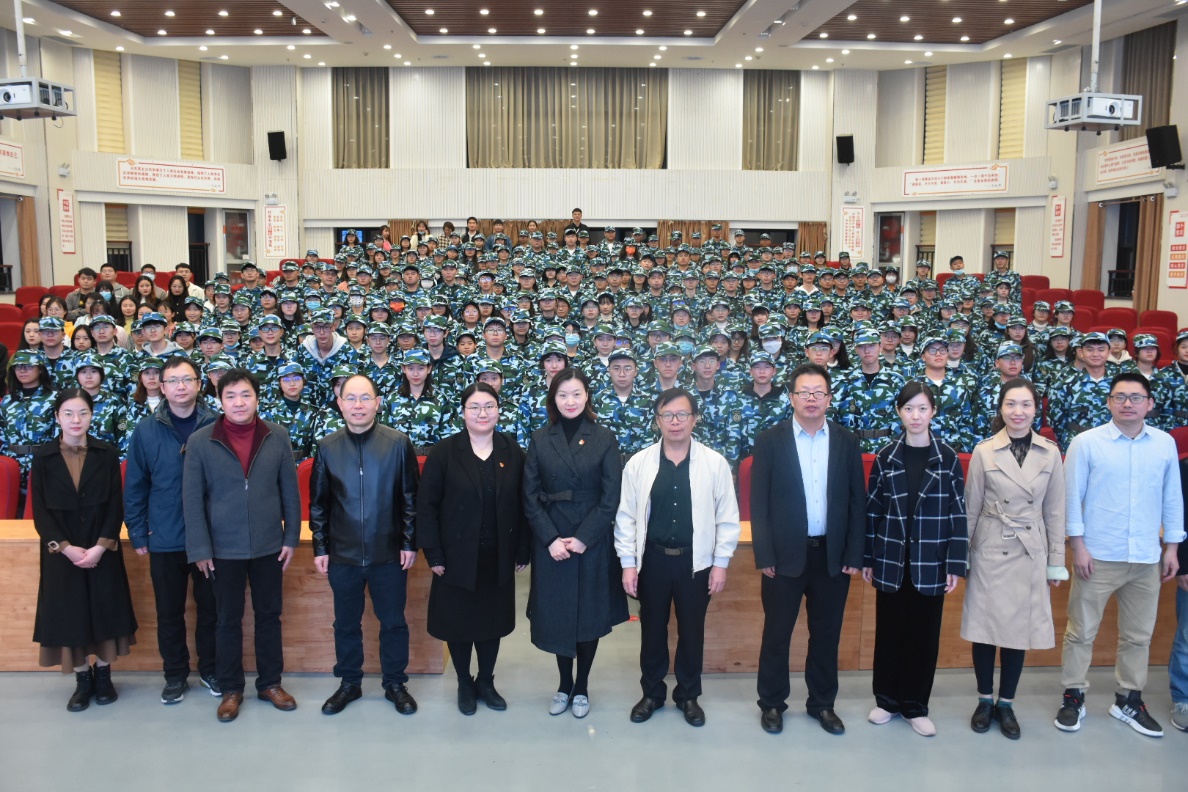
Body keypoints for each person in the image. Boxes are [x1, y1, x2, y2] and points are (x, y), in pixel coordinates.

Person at [1055, 372, 1183, 738]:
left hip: (1146, 557)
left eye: (1136, 397)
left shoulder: (1164, 444)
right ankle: (1073, 696)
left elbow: (1172, 498)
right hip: (1097, 555)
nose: (1128, 403)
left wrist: (1172, 548)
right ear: (1109, 402)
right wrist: (1078, 546)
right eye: (1120, 397)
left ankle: (1128, 699)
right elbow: (1071, 498)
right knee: (1081, 633)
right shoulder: (1086, 443)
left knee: (1138, 636)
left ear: (1150, 403)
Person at [749, 363, 866, 736]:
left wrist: (854, 554)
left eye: (818, 392)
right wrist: (764, 553)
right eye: (804, 392)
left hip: (831, 557)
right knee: (776, 634)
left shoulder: (846, 441)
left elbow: (856, 502)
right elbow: (758, 502)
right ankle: (771, 703)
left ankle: (822, 704)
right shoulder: (770, 440)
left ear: (829, 398)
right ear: (791, 397)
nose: (811, 399)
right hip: (783, 557)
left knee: (827, 635)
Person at [615, 387, 740, 728]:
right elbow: (626, 517)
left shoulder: (714, 463)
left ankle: (688, 695)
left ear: (694, 419)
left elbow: (727, 517)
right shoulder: (639, 463)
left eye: (682, 414)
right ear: (657, 420)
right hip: (653, 561)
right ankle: (652, 693)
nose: (675, 422)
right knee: (652, 630)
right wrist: (628, 564)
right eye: (667, 415)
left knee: (692, 631)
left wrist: (720, 563)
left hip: (695, 564)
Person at [183, 369, 302, 723]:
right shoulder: (201, 441)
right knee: (226, 620)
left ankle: (270, 684)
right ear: (219, 400)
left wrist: (291, 537)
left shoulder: (277, 436)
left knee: (269, 617)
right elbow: (192, 499)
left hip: (269, 546)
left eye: (246, 395)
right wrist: (200, 548)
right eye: (231, 396)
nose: (239, 402)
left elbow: (290, 492)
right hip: (222, 550)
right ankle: (231, 688)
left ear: (257, 398)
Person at [417, 383, 530, 715]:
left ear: (499, 410)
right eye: (475, 407)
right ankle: (464, 681)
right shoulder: (445, 452)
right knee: (459, 624)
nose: (483, 413)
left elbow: (525, 504)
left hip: (498, 556)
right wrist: (433, 553)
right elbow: (427, 506)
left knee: (491, 623)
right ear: (463, 412)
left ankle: (486, 680)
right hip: (455, 558)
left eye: (489, 406)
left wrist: (523, 548)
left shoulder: (512, 450)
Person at [963, 378, 1066, 740]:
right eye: (1011, 404)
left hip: (1029, 549)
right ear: (1001, 408)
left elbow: (1056, 511)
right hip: (991, 545)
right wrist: (962, 557)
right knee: (984, 629)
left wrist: (1056, 560)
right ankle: (984, 700)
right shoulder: (984, 451)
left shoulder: (1050, 453)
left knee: (1017, 632)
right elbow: (971, 507)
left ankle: (1006, 703)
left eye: (1025, 404)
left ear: (1036, 410)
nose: (1018, 412)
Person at [310, 374, 420, 716]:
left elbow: (410, 499)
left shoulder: (397, 443)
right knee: (345, 624)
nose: (358, 405)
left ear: (377, 403)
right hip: (342, 556)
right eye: (351, 398)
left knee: (393, 622)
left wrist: (409, 543)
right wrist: (321, 547)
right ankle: (349, 683)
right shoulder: (327, 447)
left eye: (365, 398)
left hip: (388, 554)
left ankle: (395, 683)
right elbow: (319, 505)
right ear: (340, 404)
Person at [863, 381, 968, 737]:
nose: (916, 415)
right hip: (892, 558)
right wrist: (868, 556)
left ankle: (915, 705)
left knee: (924, 636)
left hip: (931, 560)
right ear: (899, 412)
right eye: (909, 409)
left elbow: (958, 513)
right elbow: (873, 511)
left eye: (923, 408)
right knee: (889, 631)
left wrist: (955, 563)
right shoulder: (886, 456)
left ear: (933, 411)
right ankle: (887, 700)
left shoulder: (947, 458)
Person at [522, 368, 626, 719]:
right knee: (558, 613)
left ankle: (582, 686)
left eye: (577, 394)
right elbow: (529, 496)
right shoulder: (540, 438)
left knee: (588, 614)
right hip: (551, 538)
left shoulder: (604, 437)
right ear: (554, 398)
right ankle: (564, 683)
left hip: (590, 539)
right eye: (563, 394)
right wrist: (550, 538)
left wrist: (583, 538)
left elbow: (611, 497)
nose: (570, 401)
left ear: (587, 397)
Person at [31, 388, 137, 712]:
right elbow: (40, 512)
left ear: (92, 416)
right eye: (68, 413)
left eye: (83, 413)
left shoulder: (107, 453)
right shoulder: (43, 457)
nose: (76, 420)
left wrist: (100, 547)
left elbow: (116, 506)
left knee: (105, 611)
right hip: (62, 554)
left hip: (101, 547)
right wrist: (65, 549)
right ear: (57, 417)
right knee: (70, 614)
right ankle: (82, 680)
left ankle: (103, 676)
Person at [124, 356, 220, 704]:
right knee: (169, 612)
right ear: (161, 387)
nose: (181, 386)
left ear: (199, 384)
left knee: (212, 610)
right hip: (164, 536)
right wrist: (138, 532)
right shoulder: (146, 430)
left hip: (211, 538)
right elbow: (135, 486)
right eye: (173, 381)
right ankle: (175, 675)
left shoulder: (218, 424)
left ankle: (211, 669)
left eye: (187, 379)